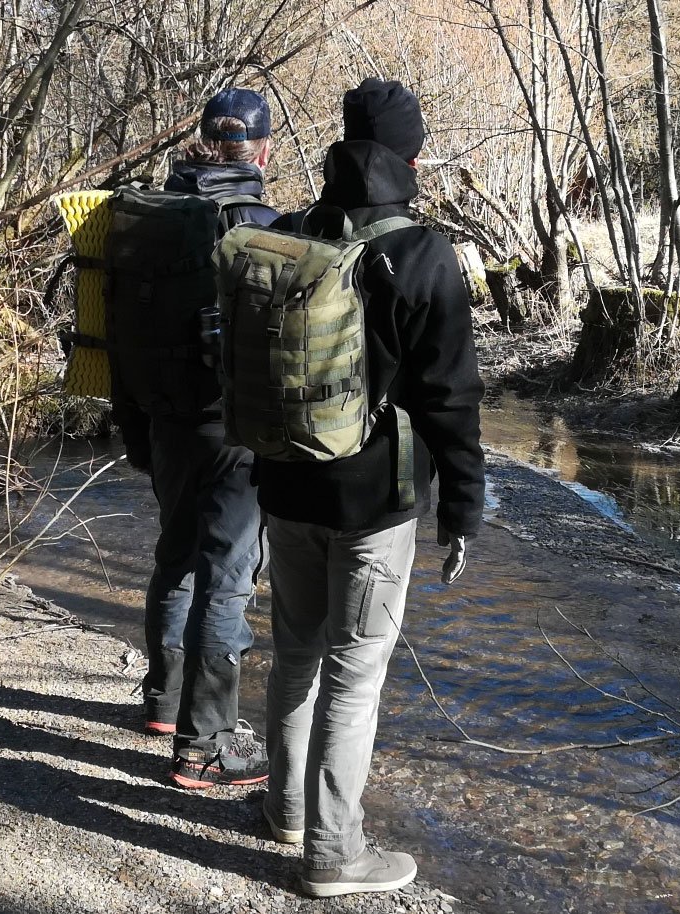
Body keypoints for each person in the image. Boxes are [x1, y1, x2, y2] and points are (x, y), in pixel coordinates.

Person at [254, 78, 484, 898]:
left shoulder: (292, 231)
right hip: (373, 503)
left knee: (295, 657)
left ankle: (283, 810)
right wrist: (463, 506)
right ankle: (333, 854)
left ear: (346, 146)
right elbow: (451, 400)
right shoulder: (423, 254)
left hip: (284, 486)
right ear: (411, 156)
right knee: (354, 677)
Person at [107, 88, 280, 789]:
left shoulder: (147, 216)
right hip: (235, 433)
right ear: (263, 152)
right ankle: (204, 747)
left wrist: (135, 426)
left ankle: (162, 702)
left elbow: (115, 329)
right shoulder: (264, 225)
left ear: (203, 140)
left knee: (175, 556)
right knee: (228, 582)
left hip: (162, 417)